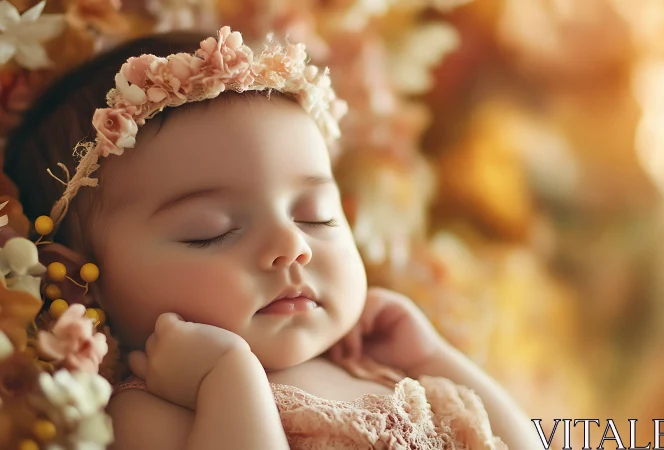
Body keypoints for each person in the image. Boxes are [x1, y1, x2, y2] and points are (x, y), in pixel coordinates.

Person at [4, 27, 537, 449]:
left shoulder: (375, 365)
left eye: (317, 216)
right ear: (81, 283)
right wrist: (227, 382)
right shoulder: (148, 411)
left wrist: (430, 355)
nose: (292, 245)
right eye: (210, 233)